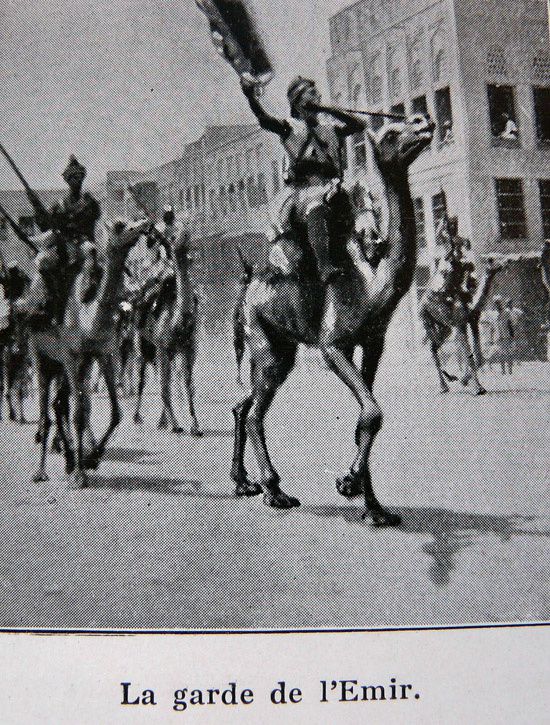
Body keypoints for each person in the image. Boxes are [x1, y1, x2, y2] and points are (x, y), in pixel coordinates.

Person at [241, 75, 365, 283]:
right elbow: (265, 120)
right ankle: (323, 265)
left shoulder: (329, 128)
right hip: (304, 192)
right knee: (316, 206)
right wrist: (251, 97)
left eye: (317, 94)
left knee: (360, 192)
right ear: (299, 102)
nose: (317, 97)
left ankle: (370, 244)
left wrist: (328, 110)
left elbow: (359, 125)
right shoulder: (290, 128)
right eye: (311, 95)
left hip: (333, 187)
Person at [18, 156, 101, 323]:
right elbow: (46, 224)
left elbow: (89, 219)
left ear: (82, 178)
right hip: (63, 245)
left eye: (77, 177)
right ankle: (49, 299)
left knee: (91, 251)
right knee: (42, 261)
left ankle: (92, 285)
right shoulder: (59, 205)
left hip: (83, 242)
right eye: (71, 177)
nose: (74, 181)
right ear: (66, 180)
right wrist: (37, 207)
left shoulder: (89, 202)